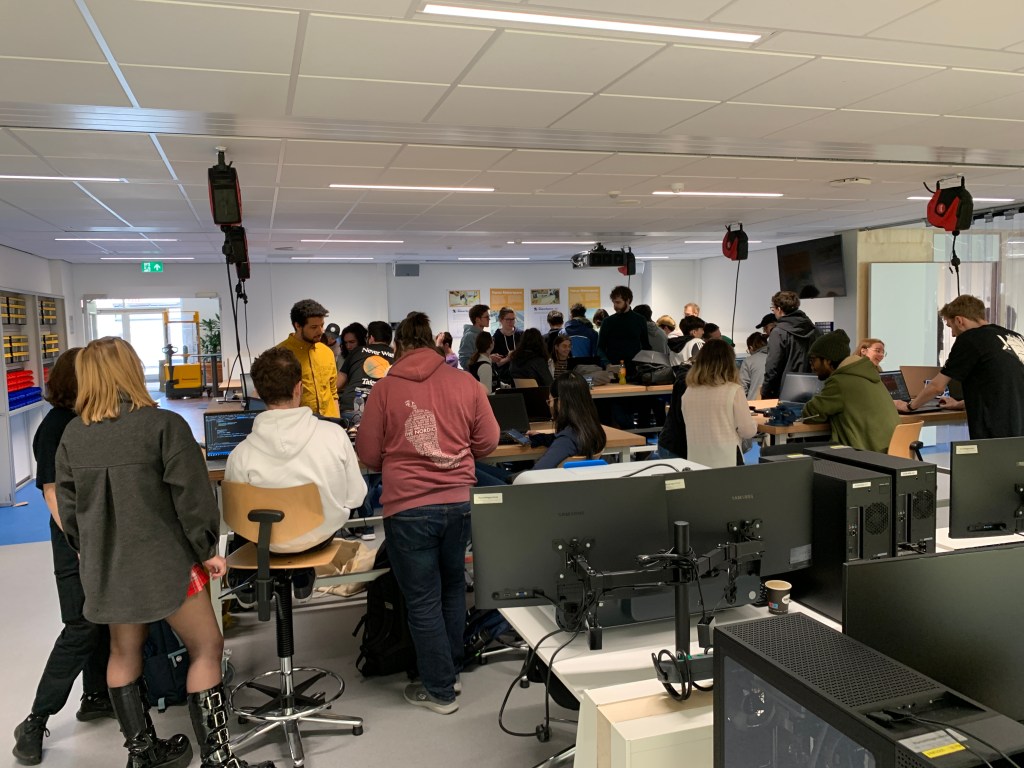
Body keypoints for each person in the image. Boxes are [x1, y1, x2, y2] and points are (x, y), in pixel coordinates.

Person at [55, 337, 273, 768]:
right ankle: (218, 759)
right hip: (166, 563)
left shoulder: (72, 436)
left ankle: (143, 754)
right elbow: (192, 499)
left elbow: (69, 508)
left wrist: (89, 550)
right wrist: (207, 549)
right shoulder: (163, 426)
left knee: (123, 652)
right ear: (131, 371)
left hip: (108, 566)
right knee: (206, 646)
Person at [356, 312, 499, 715]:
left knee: (421, 600)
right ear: (434, 343)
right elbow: (487, 442)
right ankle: (451, 669)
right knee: (453, 587)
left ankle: (439, 689)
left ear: (399, 345)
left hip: (409, 506)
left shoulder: (385, 390)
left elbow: (368, 454)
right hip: (458, 502)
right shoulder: (465, 382)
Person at [14, 348, 114, 766]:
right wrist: (78, 540)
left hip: (97, 535)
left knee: (103, 617)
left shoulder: (84, 419)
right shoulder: (56, 426)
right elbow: (52, 493)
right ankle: (34, 720)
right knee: (81, 625)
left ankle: (96, 695)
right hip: (74, 542)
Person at [224, 347, 366, 553]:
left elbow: (236, 513)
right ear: (299, 387)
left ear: (258, 393)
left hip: (266, 545)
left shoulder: (240, 455)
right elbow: (355, 497)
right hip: (321, 539)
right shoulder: (335, 435)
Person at [897, 295, 1024, 438]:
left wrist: (909, 406)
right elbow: (1004, 388)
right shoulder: (1015, 337)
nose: (952, 334)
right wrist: (960, 404)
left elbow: (937, 387)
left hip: (997, 431)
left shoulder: (971, 338)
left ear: (959, 320)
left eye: (950, 326)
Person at [801, 330, 900, 452]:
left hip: (865, 456)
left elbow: (811, 414)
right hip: (889, 453)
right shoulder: (870, 375)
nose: (811, 367)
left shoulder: (840, 382)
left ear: (827, 361)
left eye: (813, 360)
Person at [681, 339, 757, 468]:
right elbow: (747, 431)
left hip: (696, 460)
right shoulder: (734, 390)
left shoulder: (689, 391)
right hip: (727, 460)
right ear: (730, 362)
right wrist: (754, 423)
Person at [527, 373, 606, 470]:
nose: (550, 406)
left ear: (560, 402)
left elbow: (537, 472)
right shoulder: (594, 431)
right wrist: (543, 437)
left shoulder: (567, 439)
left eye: (550, 401)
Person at [277, 298, 339, 418]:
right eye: (314, 327)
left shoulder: (326, 352)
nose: (320, 331)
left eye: (322, 325)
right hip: (299, 423)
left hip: (329, 421)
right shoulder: (280, 354)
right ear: (298, 325)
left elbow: (333, 393)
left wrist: (338, 422)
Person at [760, 291, 822, 399]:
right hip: (814, 390)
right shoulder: (816, 331)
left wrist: (765, 392)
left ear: (779, 309)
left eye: (773, 309)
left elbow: (772, 368)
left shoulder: (778, 333)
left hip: (787, 392)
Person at [338, 320, 395, 414]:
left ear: (371, 338)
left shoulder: (357, 351)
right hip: (380, 408)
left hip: (351, 405)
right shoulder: (396, 355)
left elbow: (338, 383)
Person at [597, 286, 649, 379]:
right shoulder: (607, 322)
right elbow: (600, 347)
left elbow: (646, 346)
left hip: (634, 372)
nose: (615, 306)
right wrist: (607, 364)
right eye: (613, 302)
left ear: (628, 300)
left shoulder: (640, 320)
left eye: (618, 302)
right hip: (613, 371)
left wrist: (642, 365)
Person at [491, 307, 523, 385]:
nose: (511, 322)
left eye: (513, 319)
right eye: (508, 319)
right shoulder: (496, 338)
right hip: (504, 378)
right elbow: (497, 363)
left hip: (521, 375)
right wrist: (508, 358)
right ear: (501, 320)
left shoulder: (521, 334)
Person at [457, 304, 490, 370]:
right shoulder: (469, 336)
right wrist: (486, 359)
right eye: (486, 317)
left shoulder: (483, 335)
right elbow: (464, 361)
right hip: (474, 375)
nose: (489, 319)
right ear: (477, 319)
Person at [739, 332, 769, 400]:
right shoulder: (776, 358)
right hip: (775, 402)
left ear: (751, 347)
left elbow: (742, 388)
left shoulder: (748, 361)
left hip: (754, 403)